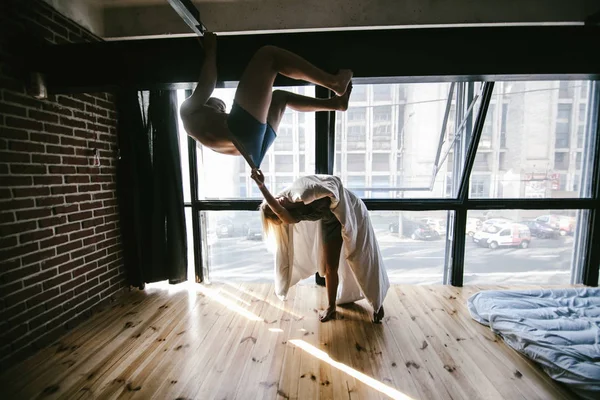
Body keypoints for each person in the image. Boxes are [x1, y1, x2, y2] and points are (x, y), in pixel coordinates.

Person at [180, 32, 354, 169]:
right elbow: (207, 84)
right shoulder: (187, 111)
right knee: (268, 56)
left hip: (255, 151)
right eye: (221, 106)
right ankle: (333, 82)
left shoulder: (207, 135)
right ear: (206, 103)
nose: (222, 109)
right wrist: (211, 51)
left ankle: (334, 104)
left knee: (280, 98)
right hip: (243, 135)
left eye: (221, 107)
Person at [250, 170, 388, 324]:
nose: (277, 200)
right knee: (330, 267)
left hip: (351, 210)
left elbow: (332, 182)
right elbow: (278, 208)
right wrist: (261, 186)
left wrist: (262, 185)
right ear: (278, 214)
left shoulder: (296, 191)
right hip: (330, 222)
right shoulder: (289, 217)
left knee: (363, 258)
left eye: (274, 199)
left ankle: (377, 301)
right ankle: (331, 307)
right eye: (273, 204)